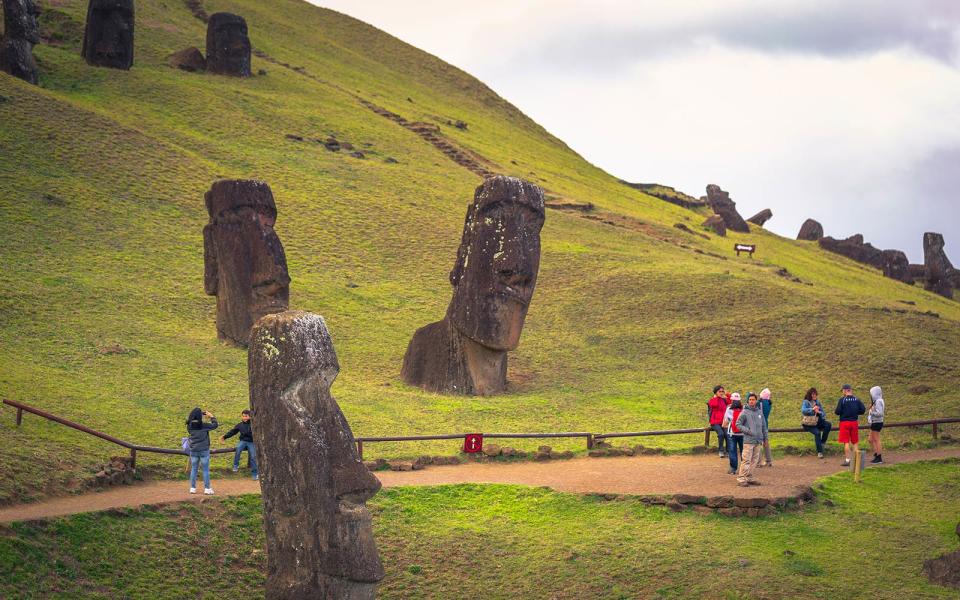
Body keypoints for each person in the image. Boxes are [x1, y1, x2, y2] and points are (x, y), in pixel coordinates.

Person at [735, 392, 768, 486]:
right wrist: (748, 430)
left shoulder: (759, 412)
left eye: (753, 399)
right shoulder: (744, 412)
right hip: (748, 441)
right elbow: (738, 424)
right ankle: (741, 478)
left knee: (754, 460)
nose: (751, 401)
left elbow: (764, 426)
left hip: (758, 440)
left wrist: (765, 439)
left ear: (756, 401)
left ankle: (749, 477)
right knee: (746, 460)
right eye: (750, 400)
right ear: (747, 401)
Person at [186, 407, 218, 494]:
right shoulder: (204, 425)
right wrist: (211, 416)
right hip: (204, 450)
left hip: (194, 450)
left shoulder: (189, 426)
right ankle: (207, 489)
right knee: (205, 470)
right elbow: (215, 425)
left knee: (194, 469)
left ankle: (192, 488)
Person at [221, 409, 258, 480]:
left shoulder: (254, 424)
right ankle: (235, 465)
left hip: (251, 442)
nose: (244, 418)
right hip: (243, 441)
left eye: (246, 416)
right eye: (243, 416)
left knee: (253, 456)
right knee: (238, 449)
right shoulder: (240, 425)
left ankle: (255, 474)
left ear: (250, 417)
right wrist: (225, 437)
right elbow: (233, 432)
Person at [834, 384, 865, 467]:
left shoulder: (842, 400)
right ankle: (856, 461)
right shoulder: (856, 399)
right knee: (855, 442)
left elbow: (837, 411)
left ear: (845, 390)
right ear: (851, 390)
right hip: (854, 422)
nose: (842, 392)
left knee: (846, 442)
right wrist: (855, 412)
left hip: (844, 423)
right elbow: (862, 410)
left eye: (842, 391)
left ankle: (848, 460)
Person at [800, 387, 832, 458]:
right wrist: (812, 409)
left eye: (816, 394)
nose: (815, 396)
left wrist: (819, 412)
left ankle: (822, 443)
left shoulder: (818, 402)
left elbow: (823, 414)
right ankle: (820, 452)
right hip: (809, 423)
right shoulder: (806, 402)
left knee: (828, 425)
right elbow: (803, 410)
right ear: (810, 395)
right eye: (813, 394)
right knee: (817, 433)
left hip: (817, 422)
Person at [722, 393, 745, 475]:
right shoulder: (744, 409)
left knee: (732, 450)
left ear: (731, 400)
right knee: (744, 450)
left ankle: (733, 468)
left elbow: (726, 421)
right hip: (743, 433)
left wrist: (724, 425)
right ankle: (744, 468)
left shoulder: (729, 409)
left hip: (732, 433)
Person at [707, 385, 731, 458]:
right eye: (719, 391)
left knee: (727, 434)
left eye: (722, 391)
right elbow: (714, 404)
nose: (721, 393)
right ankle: (720, 450)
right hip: (715, 422)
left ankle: (728, 450)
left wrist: (727, 395)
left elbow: (730, 402)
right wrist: (717, 397)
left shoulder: (724, 400)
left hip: (723, 421)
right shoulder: (712, 400)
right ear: (716, 392)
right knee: (721, 434)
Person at [868, 385, 885, 464]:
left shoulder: (878, 401)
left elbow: (880, 413)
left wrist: (872, 412)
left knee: (876, 439)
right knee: (870, 439)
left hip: (877, 422)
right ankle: (876, 454)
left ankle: (879, 457)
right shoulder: (877, 401)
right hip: (874, 422)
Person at [759, 388, 774, 467]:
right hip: (765, 424)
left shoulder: (760, 403)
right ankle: (769, 461)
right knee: (766, 442)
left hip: (759, 424)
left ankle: (759, 462)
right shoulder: (769, 403)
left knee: (758, 443)